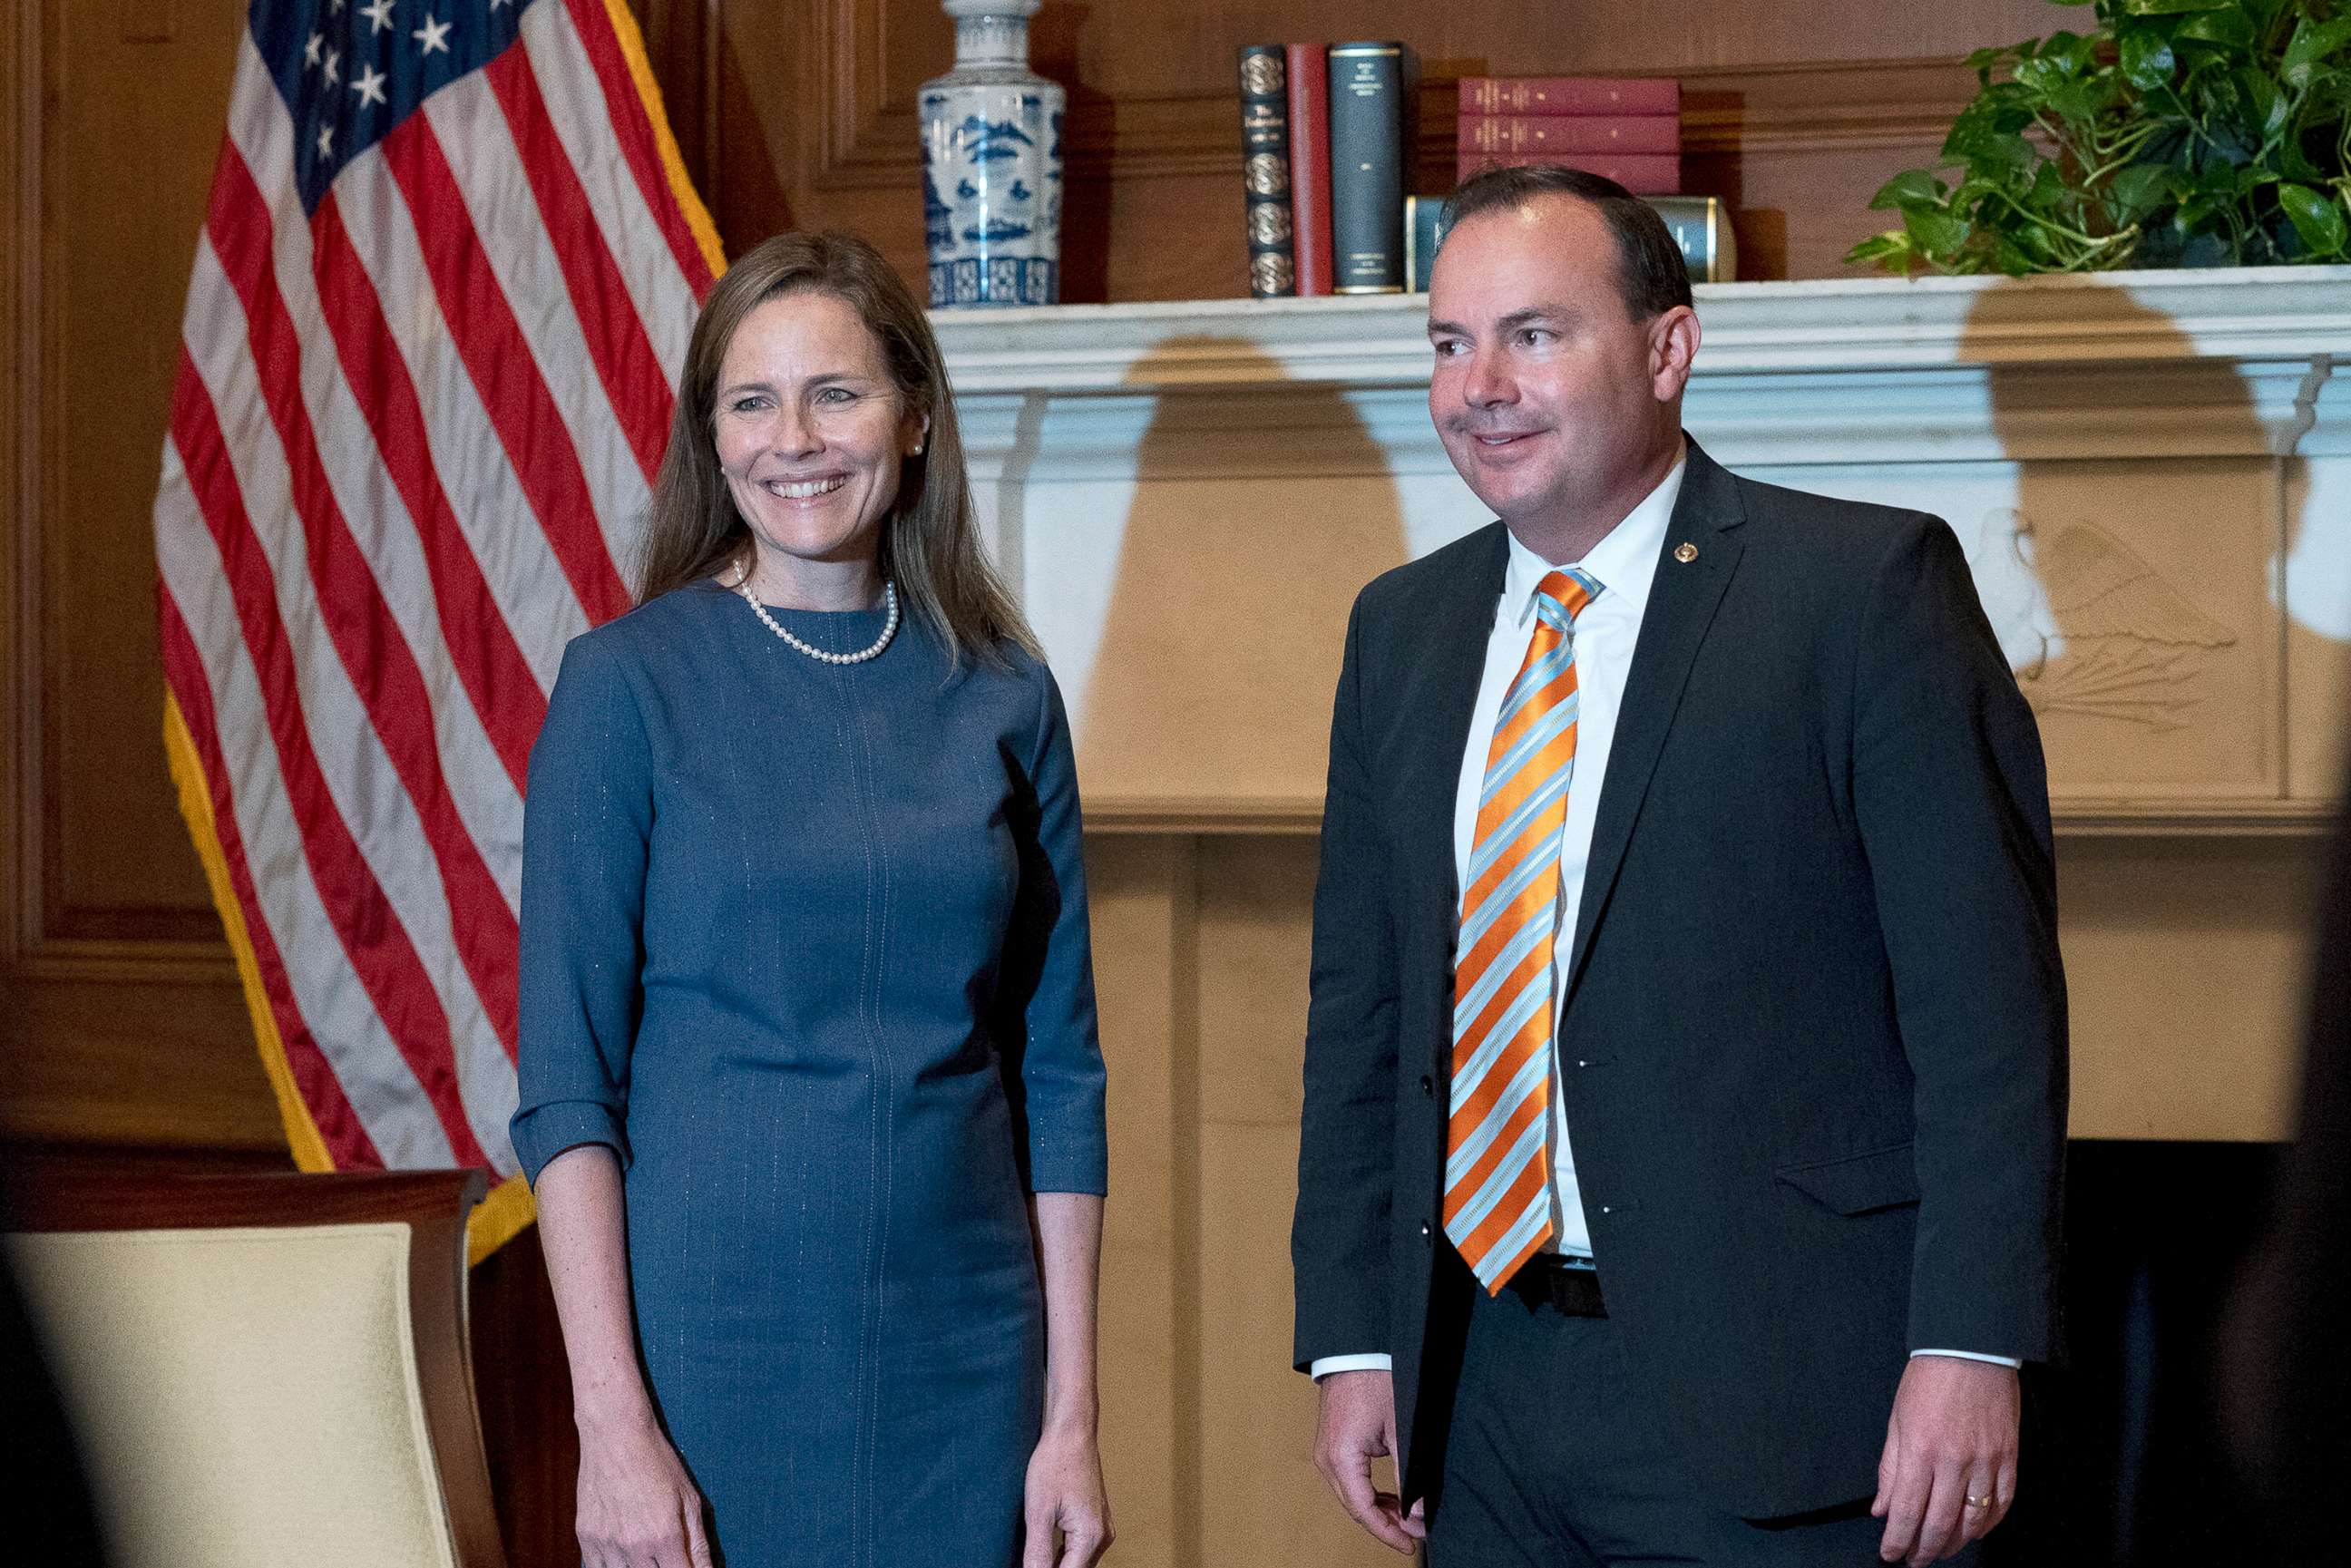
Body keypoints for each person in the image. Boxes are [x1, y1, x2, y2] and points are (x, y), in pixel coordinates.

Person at [1291, 165, 2067, 1568]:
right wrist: (1351, 1333)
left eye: (1534, 333)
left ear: (1668, 348)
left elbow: (1988, 1020)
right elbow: (1365, 1019)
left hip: (1788, 1400)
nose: (1481, 386)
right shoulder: (1398, 633)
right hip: (1483, 1390)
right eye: (1449, 343)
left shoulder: (1863, 594)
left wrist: (1972, 1338)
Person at [512, 232, 1112, 1568]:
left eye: (836, 393)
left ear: (911, 418)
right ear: (710, 437)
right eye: (752, 400)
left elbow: (1060, 1075)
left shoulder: (1008, 694)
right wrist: (610, 1422)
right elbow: (567, 1087)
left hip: (972, 1351)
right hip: (714, 1354)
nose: (797, 439)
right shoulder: (625, 686)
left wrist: (1071, 1416)